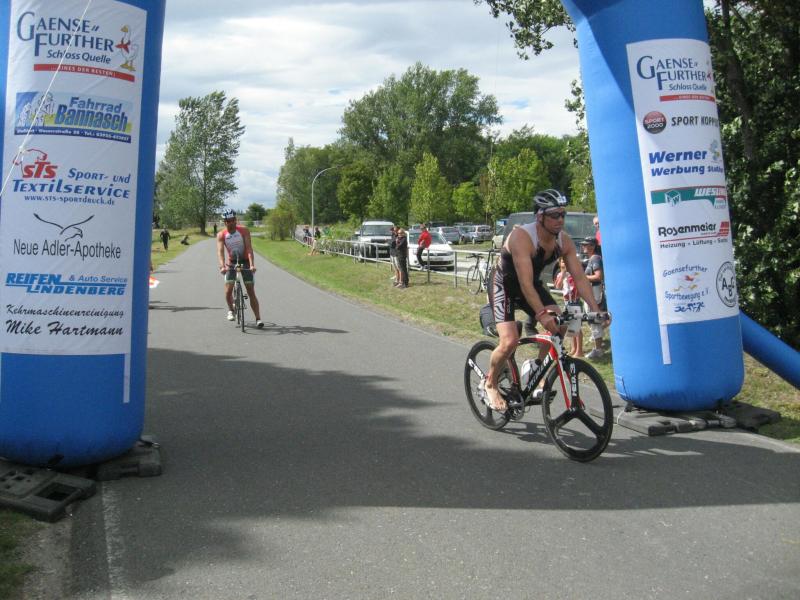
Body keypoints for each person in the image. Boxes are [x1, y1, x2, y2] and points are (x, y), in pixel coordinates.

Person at [484, 189, 610, 411]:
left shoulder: (563, 240)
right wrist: (541, 314)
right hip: (504, 284)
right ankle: (490, 383)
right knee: (509, 341)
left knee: (560, 324)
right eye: (554, 215)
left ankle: (536, 367)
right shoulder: (522, 237)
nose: (560, 219)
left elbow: (580, 278)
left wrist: (595, 308)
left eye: (562, 214)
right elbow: (525, 283)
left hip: (531, 285)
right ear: (540, 216)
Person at [217, 208, 264, 328]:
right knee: (228, 291)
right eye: (228, 221)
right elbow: (220, 252)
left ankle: (258, 318)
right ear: (225, 222)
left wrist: (252, 265)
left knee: (250, 290)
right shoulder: (221, 235)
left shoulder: (243, 231)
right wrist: (222, 266)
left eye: (233, 220)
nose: (231, 222)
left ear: (235, 220)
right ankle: (231, 310)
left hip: (245, 262)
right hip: (231, 263)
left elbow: (249, 248)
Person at [580, 237, 607, 360]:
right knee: (594, 320)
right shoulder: (592, 258)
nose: (583, 246)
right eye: (583, 244)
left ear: (592, 246)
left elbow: (598, 277)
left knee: (594, 319)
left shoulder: (595, 258)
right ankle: (598, 344)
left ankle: (598, 350)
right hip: (592, 293)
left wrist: (582, 277)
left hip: (595, 293)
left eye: (586, 244)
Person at [554, 256, 583, 358]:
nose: (565, 263)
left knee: (577, 326)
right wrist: (562, 273)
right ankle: (573, 348)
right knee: (570, 325)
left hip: (574, 301)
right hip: (567, 302)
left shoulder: (574, 273)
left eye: (566, 261)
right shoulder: (560, 274)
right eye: (563, 262)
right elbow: (558, 286)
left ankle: (579, 350)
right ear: (560, 264)